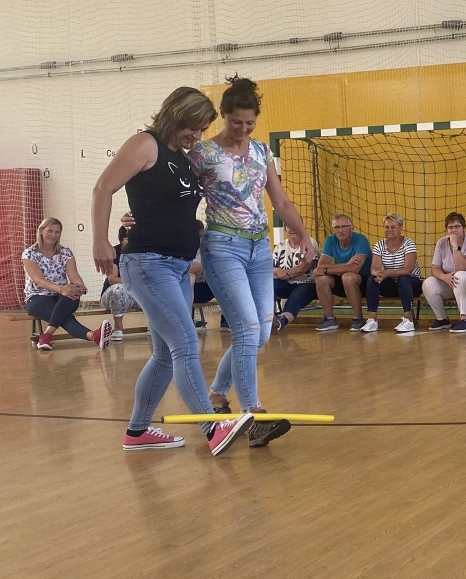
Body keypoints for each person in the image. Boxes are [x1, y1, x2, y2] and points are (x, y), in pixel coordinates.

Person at [91, 86, 254, 455]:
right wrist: (100, 240)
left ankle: (137, 432)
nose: (196, 135)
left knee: (166, 354)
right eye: (192, 127)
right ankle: (212, 428)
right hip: (148, 262)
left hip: (179, 267)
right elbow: (103, 188)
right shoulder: (144, 144)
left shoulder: (183, 156)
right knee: (185, 344)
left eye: (201, 129)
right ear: (176, 116)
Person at [189, 76, 316, 446]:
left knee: (260, 333)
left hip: (259, 248)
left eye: (249, 122)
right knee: (246, 329)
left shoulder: (262, 151)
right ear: (223, 115)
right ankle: (254, 414)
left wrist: (304, 235)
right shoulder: (203, 153)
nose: (243, 129)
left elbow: (281, 201)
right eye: (236, 122)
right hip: (222, 246)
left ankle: (217, 394)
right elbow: (178, 197)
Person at [23, 217, 112, 351]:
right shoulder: (29, 253)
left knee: (70, 296)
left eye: (57, 232)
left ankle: (46, 335)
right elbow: (39, 280)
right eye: (50, 231)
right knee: (65, 317)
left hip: (64, 296)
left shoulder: (65, 252)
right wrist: (61, 289)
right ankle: (94, 336)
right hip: (37, 297)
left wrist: (80, 287)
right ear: (41, 231)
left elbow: (74, 275)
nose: (53, 235)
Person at [422, 212, 466, 333]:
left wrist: (455, 245)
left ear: (464, 228)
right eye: (450, 227)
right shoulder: (441, 242)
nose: (454, 230)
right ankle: (442, 319)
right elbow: (434, 268)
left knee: (460, 275)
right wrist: (443, 277)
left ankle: (465, 320)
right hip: (452, 282)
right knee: (428, 283)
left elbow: (463, 267)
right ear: (446, 230)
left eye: (457, 226)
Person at [360, 213, 422, 333]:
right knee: (372, 279)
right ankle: (372, 320)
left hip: (412, 284)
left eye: (393, 227)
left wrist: (388, 273)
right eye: (386, 227)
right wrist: (379, 274)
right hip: (393, 285)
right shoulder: (379, 245)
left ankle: (408, 320)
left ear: (400, 228)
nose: (389, 230)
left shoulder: (408, 243)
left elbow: (408, 269)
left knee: (403, 278)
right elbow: (374, 268)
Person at [312, 214, 372, 332]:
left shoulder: (361, 240)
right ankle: (329, 319)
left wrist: (329, 269)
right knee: (321, 278)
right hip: (341, 280)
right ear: (333, 230)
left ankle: (358, 318)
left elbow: (355, 268)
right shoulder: (330, 240)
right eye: (337, 227)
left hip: (364, 283)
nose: (340, 230)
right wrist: (346, 264)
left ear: (352, 228)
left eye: (344, 226)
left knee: (348, 276)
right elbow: (321, 266)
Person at [99, 225, 141, 341]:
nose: (132, 242)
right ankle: (118, 328)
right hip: (112, 296)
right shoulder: (114, 252)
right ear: (121, 240)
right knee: (118, 289)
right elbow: (112, 279)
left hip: (135, 294)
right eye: (128, 239)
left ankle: (153, 327)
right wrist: (135, 282)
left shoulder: (141, 254)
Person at [273, 225, 319, 330]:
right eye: (288, 226)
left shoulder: (310, 243)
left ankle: (281, 320)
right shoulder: (280, 246)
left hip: (307, 283)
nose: (292, 229)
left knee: (296, 297)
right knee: (268, 285)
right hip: (285, 283)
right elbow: (271, 268)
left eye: (293, 225)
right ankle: (267, 317)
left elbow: (305, 266)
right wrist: (276, 271)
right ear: (285, 229)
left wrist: (286, 273)